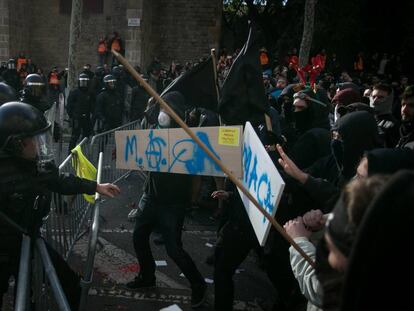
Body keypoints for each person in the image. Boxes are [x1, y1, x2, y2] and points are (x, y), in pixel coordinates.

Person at [0, 102, 120, 310]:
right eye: (33, 141)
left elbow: (60, 181)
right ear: (15, 144)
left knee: (67, 284)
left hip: (27, 240)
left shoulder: (32, 166)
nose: (39, 146)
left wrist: (95, 186)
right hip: (4, 248)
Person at [126, 91, 207, 308]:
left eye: (166, 108)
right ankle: (147, 276)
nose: (163, 112)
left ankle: (198, 284)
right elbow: (142, 155)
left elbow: (197, 174)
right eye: (161, 107)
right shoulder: (154, 130)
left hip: (173, 202)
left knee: (174, 249)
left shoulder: (188, 136)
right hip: (150, 196)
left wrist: (192, 200)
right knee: (139, 237)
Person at [66, 73, 94, 153]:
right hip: (77, 118)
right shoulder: (74, 92)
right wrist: (72, 116)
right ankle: (70, 153)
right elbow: (69, 106)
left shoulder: (90, 93)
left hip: (86, 118)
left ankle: (81, 151)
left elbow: (92, 105)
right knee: (74, 136)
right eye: (82, 82)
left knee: (86, 136)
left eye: (85, 82)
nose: (83, 84)